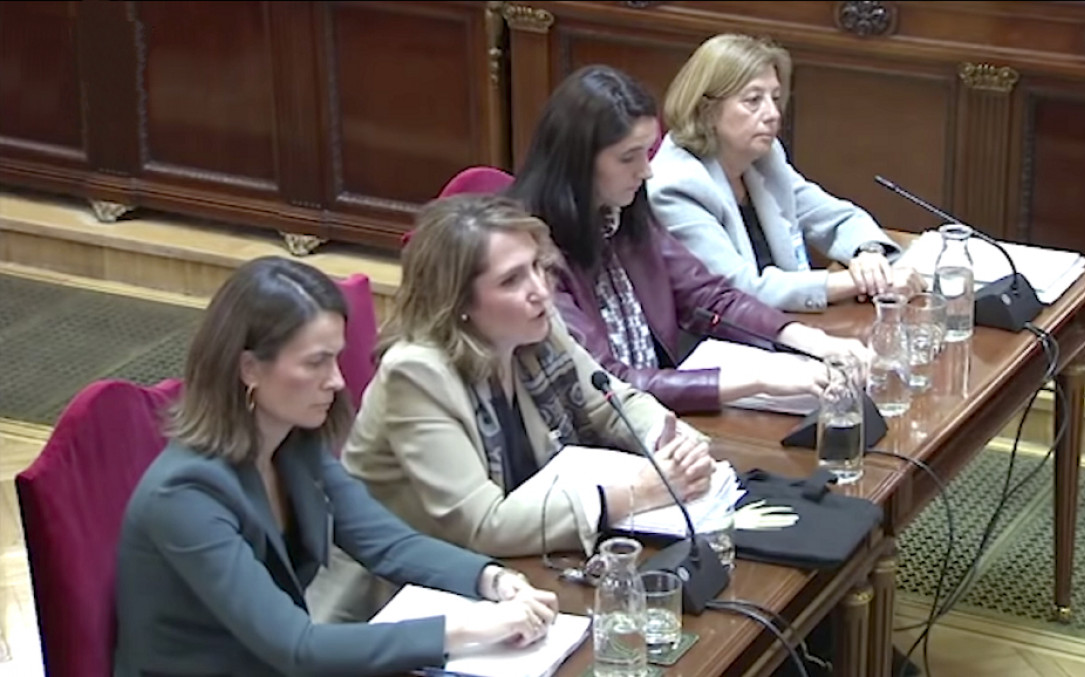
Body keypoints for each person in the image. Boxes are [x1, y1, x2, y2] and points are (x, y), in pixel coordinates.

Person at [113, 256, 558, 677]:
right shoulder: (185, 494)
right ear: (249, 368)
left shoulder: (293, 444)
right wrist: (470, 629)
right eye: (316, 363)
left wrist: (492, 579)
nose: (337, 380)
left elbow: (388, 544)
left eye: (335, 358)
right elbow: (297, 646)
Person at [309, 195, 714, 623]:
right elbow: (482, 525)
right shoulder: (416, 373)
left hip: (514, 571)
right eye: (511, 280)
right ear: (459, 302)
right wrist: (631, 495)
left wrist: (673, 446)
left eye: (537, 266)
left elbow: (614, 403)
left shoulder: (536, 328)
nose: (540, 290)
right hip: (395, 599)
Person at [505, 64, 871, 415]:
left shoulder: (619, 213)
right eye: (629, 157)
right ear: (578, 161)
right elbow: (606, 381)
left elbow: (708, 296)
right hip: (604, 429)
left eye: (647, 152)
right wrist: (757, 380)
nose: (646, 171)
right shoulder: (529, 254)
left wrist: (811, 340)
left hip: (657, 412)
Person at [648, 33, 924, 313]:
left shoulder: (762, 159)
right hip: (720, 333)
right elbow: (738, 289)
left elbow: (837, 217)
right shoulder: (677, 186)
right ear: (706, 109)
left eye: (775, 98)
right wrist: (856, 282)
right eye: (753, 100)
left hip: (783, 323)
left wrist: (869, 254)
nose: (773, 114)